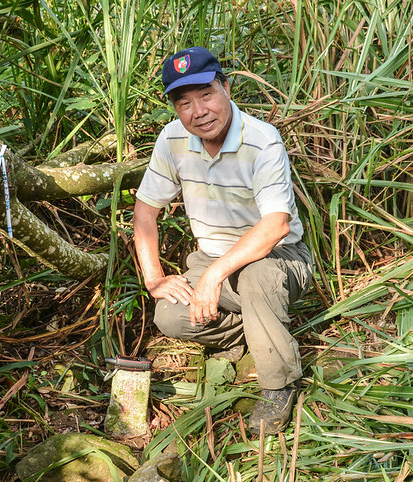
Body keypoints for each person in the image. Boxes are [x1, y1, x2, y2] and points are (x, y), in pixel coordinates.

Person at [132, 46, 313, 435]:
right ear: (175, 110)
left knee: (255, 279)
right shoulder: (173, 140)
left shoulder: (261, 140)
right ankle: (257, 329)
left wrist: (213, 277)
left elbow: (276, 226)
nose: (199, 111)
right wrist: (154, 278)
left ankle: (279, 382)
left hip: (280, 260)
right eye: (185, 103)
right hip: (212, 258)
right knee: (169, 314)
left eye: (207, 95)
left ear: (226, 89)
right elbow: (146, 210)